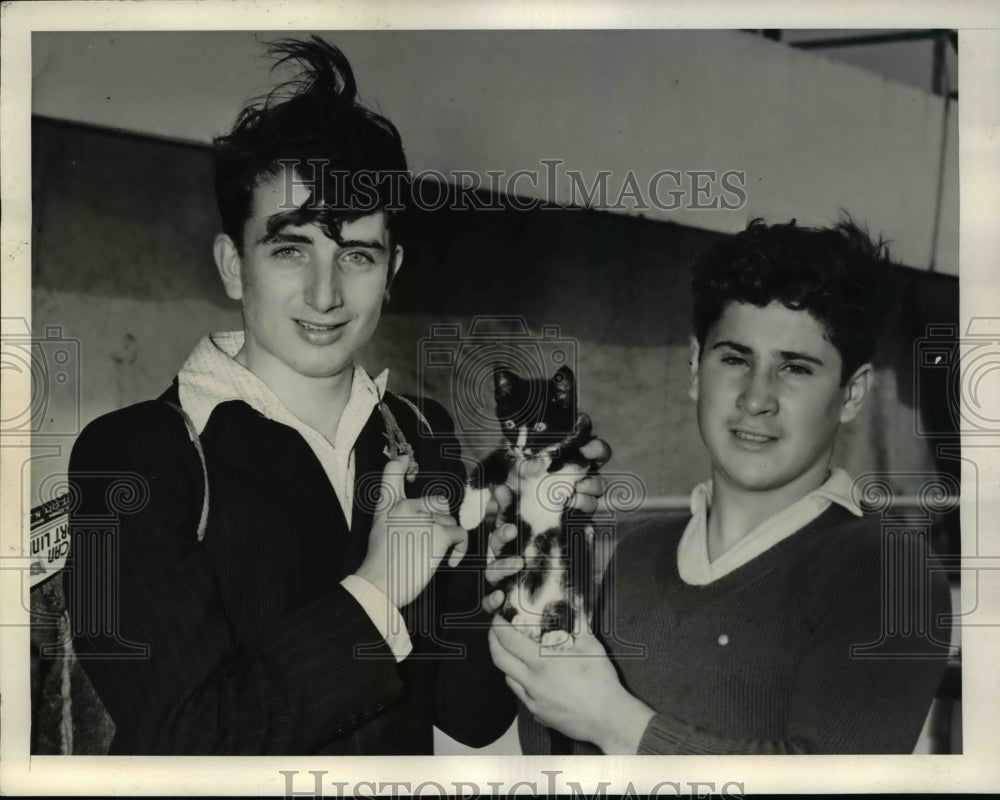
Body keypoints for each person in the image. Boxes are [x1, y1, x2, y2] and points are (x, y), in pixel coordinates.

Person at [64, 36, 606, 755]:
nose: (325, 294)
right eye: (291, 250)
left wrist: (538, 540)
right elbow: (188, 743)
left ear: (391, 270)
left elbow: (469, 715)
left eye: (356, 254)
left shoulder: (420, 433)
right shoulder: (130, 456)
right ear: (233, 265)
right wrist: (380, 590)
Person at [487, 218, 953, 754]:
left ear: (852, 394)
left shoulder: (892, 572)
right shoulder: (639, 552)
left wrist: (615, 721)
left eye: (796, 368)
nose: (757, 398)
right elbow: (564, 759)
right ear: (694, 369)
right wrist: (530, 616)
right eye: (735, 359)